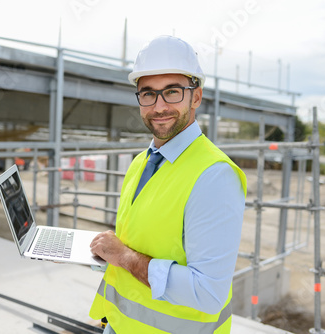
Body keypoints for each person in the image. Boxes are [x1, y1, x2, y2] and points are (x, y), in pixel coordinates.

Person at [89, 35, 247, 334]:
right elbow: (143, 246)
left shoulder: (214, 175)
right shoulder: (141, 162)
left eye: (172, 92)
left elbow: (208, 293)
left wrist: (123, 256)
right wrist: (99, 253)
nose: (159, 106)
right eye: (148, 94)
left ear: (196, 96)